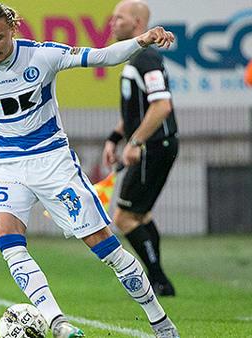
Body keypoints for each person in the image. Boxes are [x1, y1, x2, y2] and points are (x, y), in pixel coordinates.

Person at [0, 2, 180, 337]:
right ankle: (58, 322)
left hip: (53, 161)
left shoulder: (42, 56)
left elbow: (103, 56)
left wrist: (142, 40)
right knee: (6, 234)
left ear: (12, 29)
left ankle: (160, 321)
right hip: (8, 166)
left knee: (104, 246)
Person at [103, 0, 179, 297]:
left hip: (154, 146)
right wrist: (115, 137)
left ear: (137, 23)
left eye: (118, 18)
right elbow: (137, 110)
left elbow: (161, 106)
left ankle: (158, 279)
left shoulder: (146, 59)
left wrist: (135, 143)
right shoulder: (134, 58)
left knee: (123, 218)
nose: (112, 22)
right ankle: (160, 280)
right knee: (141, 214)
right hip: (152, 144)